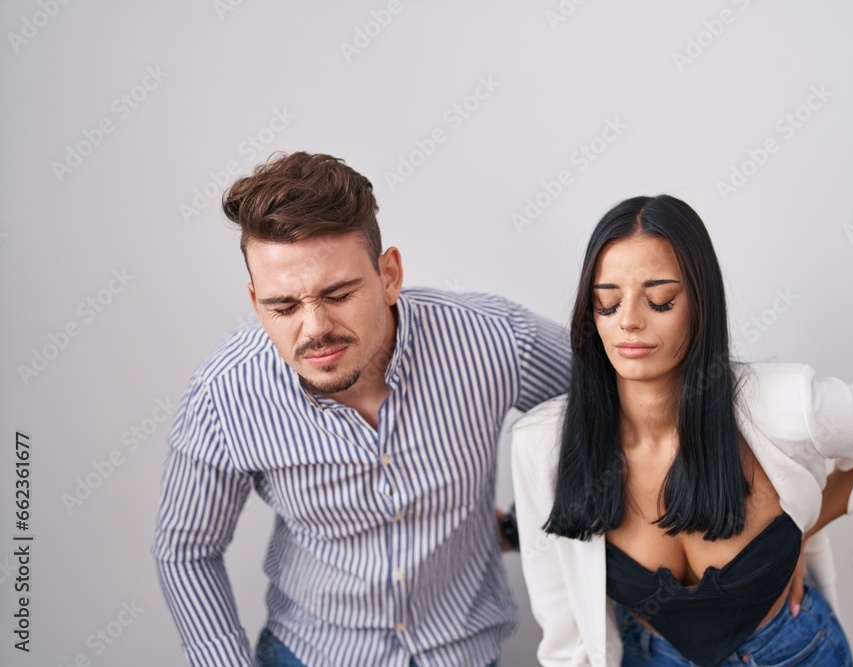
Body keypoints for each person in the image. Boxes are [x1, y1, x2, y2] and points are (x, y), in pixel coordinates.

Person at [152, 151, 571, 666]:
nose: (314, 329)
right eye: (283, 306)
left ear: (388, 274)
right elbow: (186, 549)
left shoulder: (494, 339)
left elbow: (625, 408)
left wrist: (537, 526)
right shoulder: (224, 394)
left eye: (339, 293)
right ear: (255, 300)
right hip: (310, 654)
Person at [510, 195, 853, 667]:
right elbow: (564, 632)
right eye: (607, 303)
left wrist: (808, 519)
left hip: (793, 653)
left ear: (702, 303)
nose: (629, 321)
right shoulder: (542, 445)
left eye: (660, 300)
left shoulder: (785, 406)